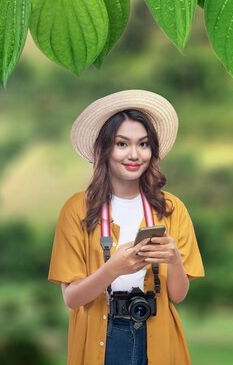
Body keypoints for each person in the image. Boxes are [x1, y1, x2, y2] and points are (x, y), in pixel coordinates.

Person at [48, 90, 204, 365]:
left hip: (156, 332)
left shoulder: (171, 209)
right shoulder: (77, 210)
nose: (134, 154)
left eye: (143, 144)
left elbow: (178, 296)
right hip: (104, 337)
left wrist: (175, 259)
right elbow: (72, 298)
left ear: (152, 150)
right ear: (104, 149)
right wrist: (114, 268)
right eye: (122, 144)